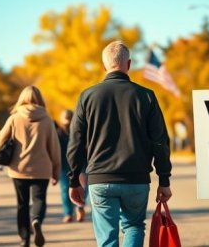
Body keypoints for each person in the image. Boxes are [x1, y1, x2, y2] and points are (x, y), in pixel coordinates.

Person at [67, 41, 173, 247]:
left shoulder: (87, 96)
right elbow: (160, 142)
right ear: (129, 63)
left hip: (100, 178)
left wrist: (73, 180)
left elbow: (75, 142)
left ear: (104, 66)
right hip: (137, 179)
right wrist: (164, 179)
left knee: (107, 238)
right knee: (134, 226)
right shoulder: (147, 96)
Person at [0, 86, 61, 247]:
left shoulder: (14, 118)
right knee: (39, 199)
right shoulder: (47, 120)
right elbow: (55, 148)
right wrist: (56, 171)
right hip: (42, 169)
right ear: (40, 99)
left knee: (22, 204)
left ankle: (25, 239)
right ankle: (36, 220)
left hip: (19, 169)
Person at [55, 109, 88, 223]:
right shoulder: (58, 134)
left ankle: (79, 207)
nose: (67, 122)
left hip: (80, 165)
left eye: (69, 119)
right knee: (65, 190)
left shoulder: (79, 131)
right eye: (65, 119)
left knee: (82, 188)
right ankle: (68, 213)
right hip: (64, 166)